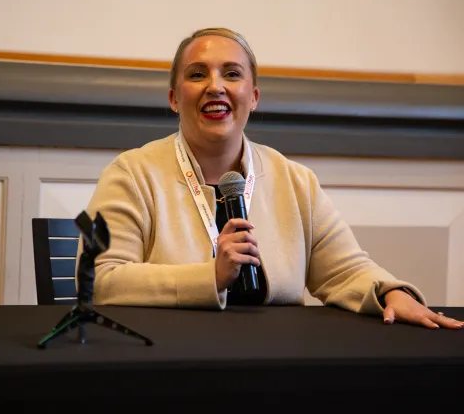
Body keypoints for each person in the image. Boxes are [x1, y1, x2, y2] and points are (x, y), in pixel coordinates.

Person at [78, 27, 463, 330]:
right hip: (169, 361)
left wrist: (390, 291)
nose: (216, 86)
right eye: (197, 74)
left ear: (254, 96)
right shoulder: (132, 173)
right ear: (174, 98)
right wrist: (208, 276)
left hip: (274, 364)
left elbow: (346, 270)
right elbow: (102, 278)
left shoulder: (295, 180)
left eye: (232, 73)